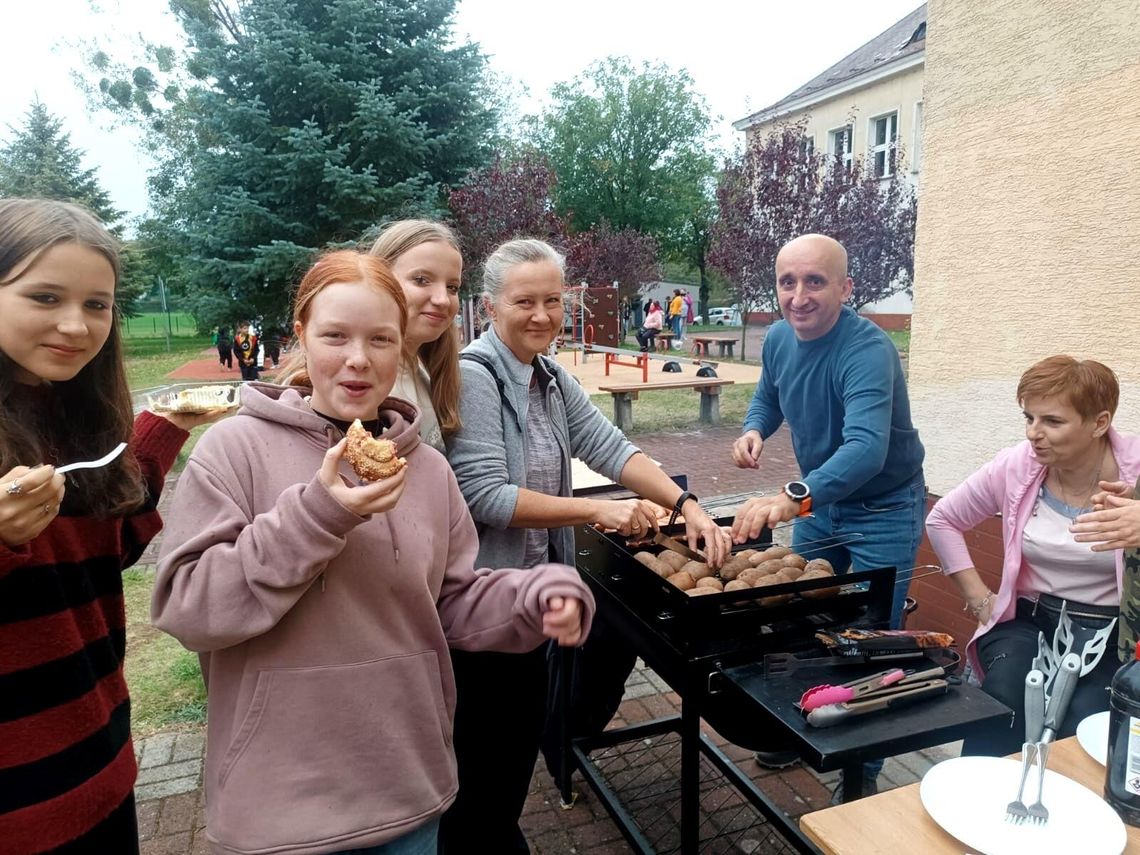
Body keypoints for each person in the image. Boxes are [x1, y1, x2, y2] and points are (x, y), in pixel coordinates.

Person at [151, 249, 593, 855]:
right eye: (335, 336)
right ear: (301, 334)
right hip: (279, 807)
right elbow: (190, 609)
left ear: (402, 346)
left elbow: (450, 601)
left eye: (381, 339)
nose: (359, 360)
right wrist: (320, 514)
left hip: (408, 792)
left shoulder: (428, 470)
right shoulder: (235, 450)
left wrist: (533, 594)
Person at [442, 238, 732, 854]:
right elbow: (487, 496)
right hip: (484, 605)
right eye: (525, 301)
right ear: (490, 306)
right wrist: (598, 509)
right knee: (484, 759)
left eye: (552, 299)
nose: (542, 314)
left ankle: (494, 830)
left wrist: (688, 506)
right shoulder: (475, 376)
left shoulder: (548, 376)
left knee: (510, 754)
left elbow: (613, 449)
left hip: (532, 599)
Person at [0, 198, 221, 852]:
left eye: (98, 304)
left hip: (101, 768)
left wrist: (167, 428)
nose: (75, 324)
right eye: (45, 296)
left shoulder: (71, 413)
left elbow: (109, 541)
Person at [729, 233, 924, 793]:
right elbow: (770, 395)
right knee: (800, 620)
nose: (798, 296)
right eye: (787, 282)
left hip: (883, 508)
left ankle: (859, 777)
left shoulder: (866, 350)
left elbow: (866, 448)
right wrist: (752, 430)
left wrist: (793, 498)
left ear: (846, 287)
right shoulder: (778, 340)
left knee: (872, 640)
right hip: (818, 505)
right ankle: (801, 731)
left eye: (815, 281)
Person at [926, 356, 1140, 756]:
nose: (1034, 434)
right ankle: (978, 800)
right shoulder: (1017, 466)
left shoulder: (1137, 471)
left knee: (1085, 724)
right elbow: (943, 520)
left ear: (1099, 423)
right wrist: (979, 599)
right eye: (1029, 418)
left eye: (1052, 422)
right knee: (1005, 701)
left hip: (1114, 633)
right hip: (1030, 621)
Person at [367, 219, 463, 452]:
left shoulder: (425, 373)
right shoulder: (355, 380)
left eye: (452, 287)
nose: (442, 299)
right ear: (380, 279)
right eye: (421, 280)